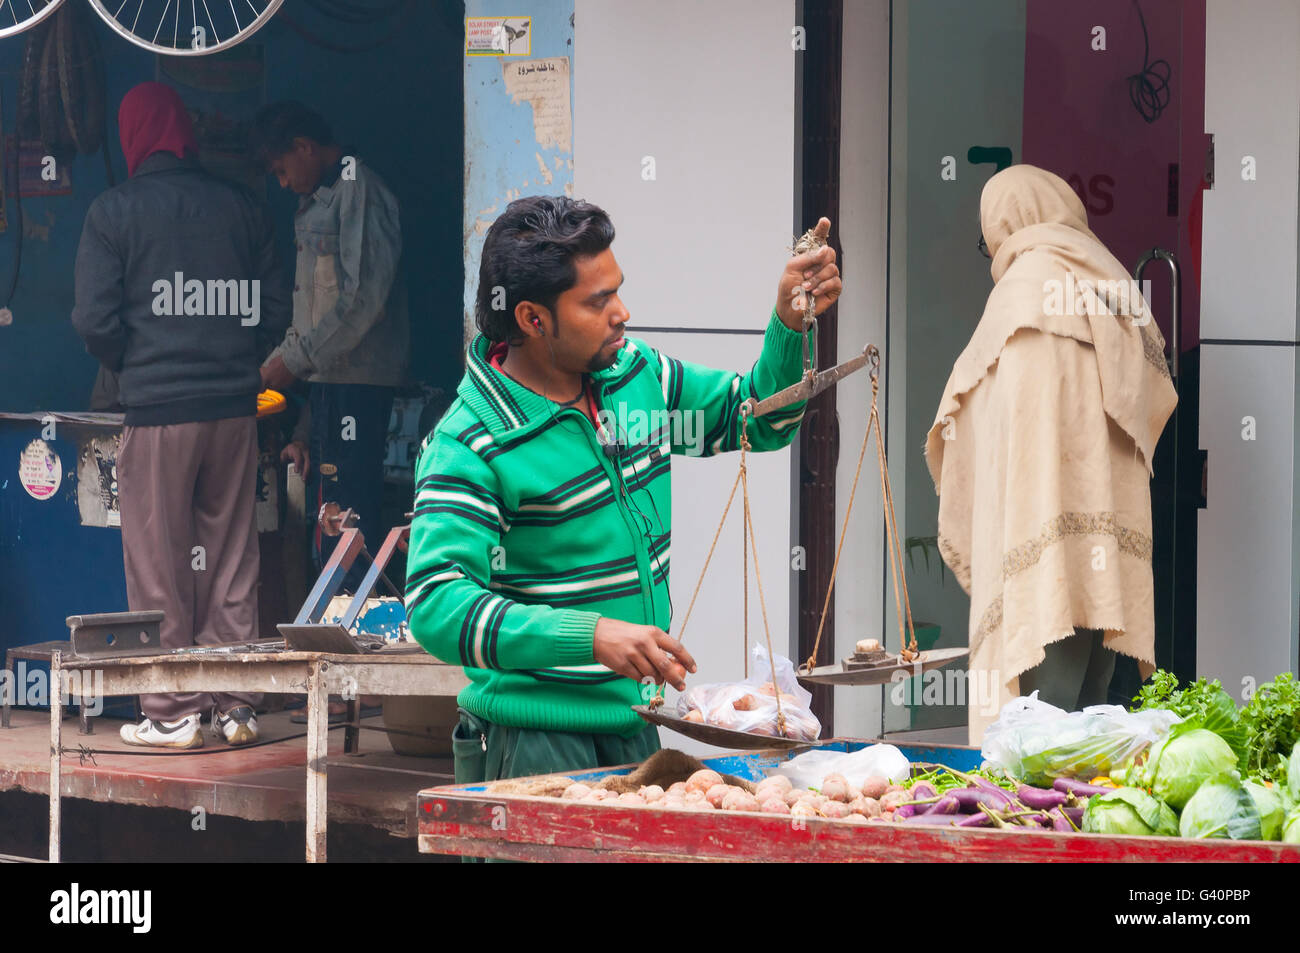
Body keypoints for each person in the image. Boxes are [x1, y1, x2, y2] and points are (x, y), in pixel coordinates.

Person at [405, 196, 840, 785]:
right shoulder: (472, 440)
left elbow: (756, 419)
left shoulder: (634, 377)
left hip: (637, 727)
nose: (622, 313)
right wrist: (589, 635)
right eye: (597, 301)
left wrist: (790, 325)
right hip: (533, 745)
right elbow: (436, 605)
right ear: (533, 319)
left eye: (617, 290)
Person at [71, 82, 291, 748]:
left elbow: (93, 320)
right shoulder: (241, 208)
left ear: (134, 135)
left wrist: (135, 365)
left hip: (158, 409)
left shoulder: (114, 212)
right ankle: (236, 706)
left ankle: (171, 711)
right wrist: (230, 359)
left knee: (158, 559)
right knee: (230, 555)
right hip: (232, 413)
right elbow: (274, 312)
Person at [925, 165, 1177, 744]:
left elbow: (972, 417)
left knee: (1034, 738)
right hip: (1103, 556)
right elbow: (1150, 403)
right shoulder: (1108, 282)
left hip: (1036, 557)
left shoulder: (1023, 290)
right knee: (1090, 721)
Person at [249, 102, 408, 596]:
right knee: (330, 516)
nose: (280, 182)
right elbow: (315, 316)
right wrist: (298, 415)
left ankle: (358, 632)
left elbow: (364, 302)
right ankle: (340, 620)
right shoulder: (322, 198)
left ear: (305, 147)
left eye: (281, 169)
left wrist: (290, 363)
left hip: (356, 387)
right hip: (331, 387)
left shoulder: (358, 190)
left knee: (347, 521)